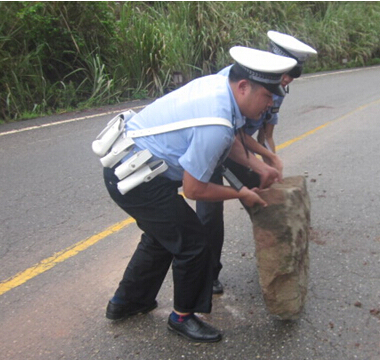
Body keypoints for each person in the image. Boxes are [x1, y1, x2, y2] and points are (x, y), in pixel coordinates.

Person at [102, 46, 297, 343]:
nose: (269, 105)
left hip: (129, 165)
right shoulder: (216, 121)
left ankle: (127, 302)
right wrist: (241, 194)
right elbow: (195, 189)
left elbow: (229, 139)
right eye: (267, 96)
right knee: (193, 242)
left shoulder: (220, 86)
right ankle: (182, 317)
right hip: (136, 178)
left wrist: (255, 166)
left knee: (163, 237)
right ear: (244, 86)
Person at [196, 31, 317, 295]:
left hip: (240, 148)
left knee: (264, 200)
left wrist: (271, 166)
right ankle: (208, 275)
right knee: (210, 214)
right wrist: (263, 162)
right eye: (287, 72)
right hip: (212, 146)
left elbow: (266, 134)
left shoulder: (275, 87)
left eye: (293, 74)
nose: (287, 80)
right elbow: (229, 135)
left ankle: (275, 258)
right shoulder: (234, 80)